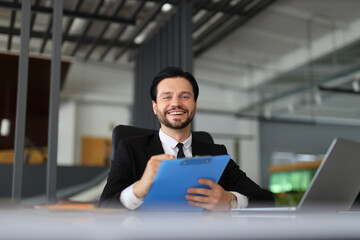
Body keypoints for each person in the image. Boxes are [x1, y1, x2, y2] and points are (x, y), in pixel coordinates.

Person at [99, 67, 274, 210]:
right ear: (155, 106)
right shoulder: (130, 149)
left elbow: (265, 199)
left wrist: (230, 200)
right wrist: (139, 189)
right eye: (167, 97)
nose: (176, 103)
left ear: (194, 105)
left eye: (185, 97)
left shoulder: (215, 153)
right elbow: (105, 207)